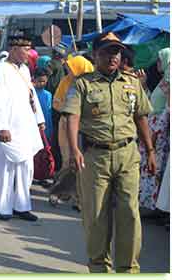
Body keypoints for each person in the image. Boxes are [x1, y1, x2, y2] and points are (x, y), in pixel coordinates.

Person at [62, 32, 156, 273]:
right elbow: (72, 117)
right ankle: (99, 269)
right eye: (107, 52)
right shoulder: (83, 84)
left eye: (116, 52)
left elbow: (141, 117)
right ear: (95, 55)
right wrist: (74, 150)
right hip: (95, 157)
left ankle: (127, 270)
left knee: (129, 214)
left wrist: (150, 150)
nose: (113, 57)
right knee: (96, 217)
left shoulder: (132, 82)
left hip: (128, 154)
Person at [0, 34, 45, 221]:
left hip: (25, 127)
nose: (29, 53)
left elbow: (31, 95)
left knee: (25, 168)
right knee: (5, 169)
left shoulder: (25, 70)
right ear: (13, 49)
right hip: (8, 129)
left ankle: (22, 206)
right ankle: (2, 208)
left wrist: (39, 118)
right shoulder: (0, 70)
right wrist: (2, 127)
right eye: (25, 50)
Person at [139, 48, 170, 216]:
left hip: (158, 132)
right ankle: (149, 203)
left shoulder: (168, 81)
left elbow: (167, 110)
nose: (157, 63)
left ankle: (154, 207)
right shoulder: (162, 82)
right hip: (152, 129)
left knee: (154, 168)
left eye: (160, 60)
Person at [33, 68, 54, 144]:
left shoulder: (48, 94)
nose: (41, 83)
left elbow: (49, 113)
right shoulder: (31, 93)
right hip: (34, 127)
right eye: (39, 81)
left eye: (43, 81)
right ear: (34, 79)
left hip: (47, 127)